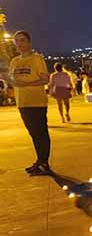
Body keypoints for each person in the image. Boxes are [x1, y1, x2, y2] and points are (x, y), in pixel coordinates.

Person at [8, 30, 52, 175]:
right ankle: (39, 160)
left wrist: (26, 85)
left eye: (22, 40)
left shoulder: (37, 59)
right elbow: (12, 80)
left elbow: (45, 79)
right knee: (33, 133)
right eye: (17, 41)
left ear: (29, 42)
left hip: (36, 102)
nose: (19, 44)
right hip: (22, 102)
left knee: (40, 133)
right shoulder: (14, 61)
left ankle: (44, 163)